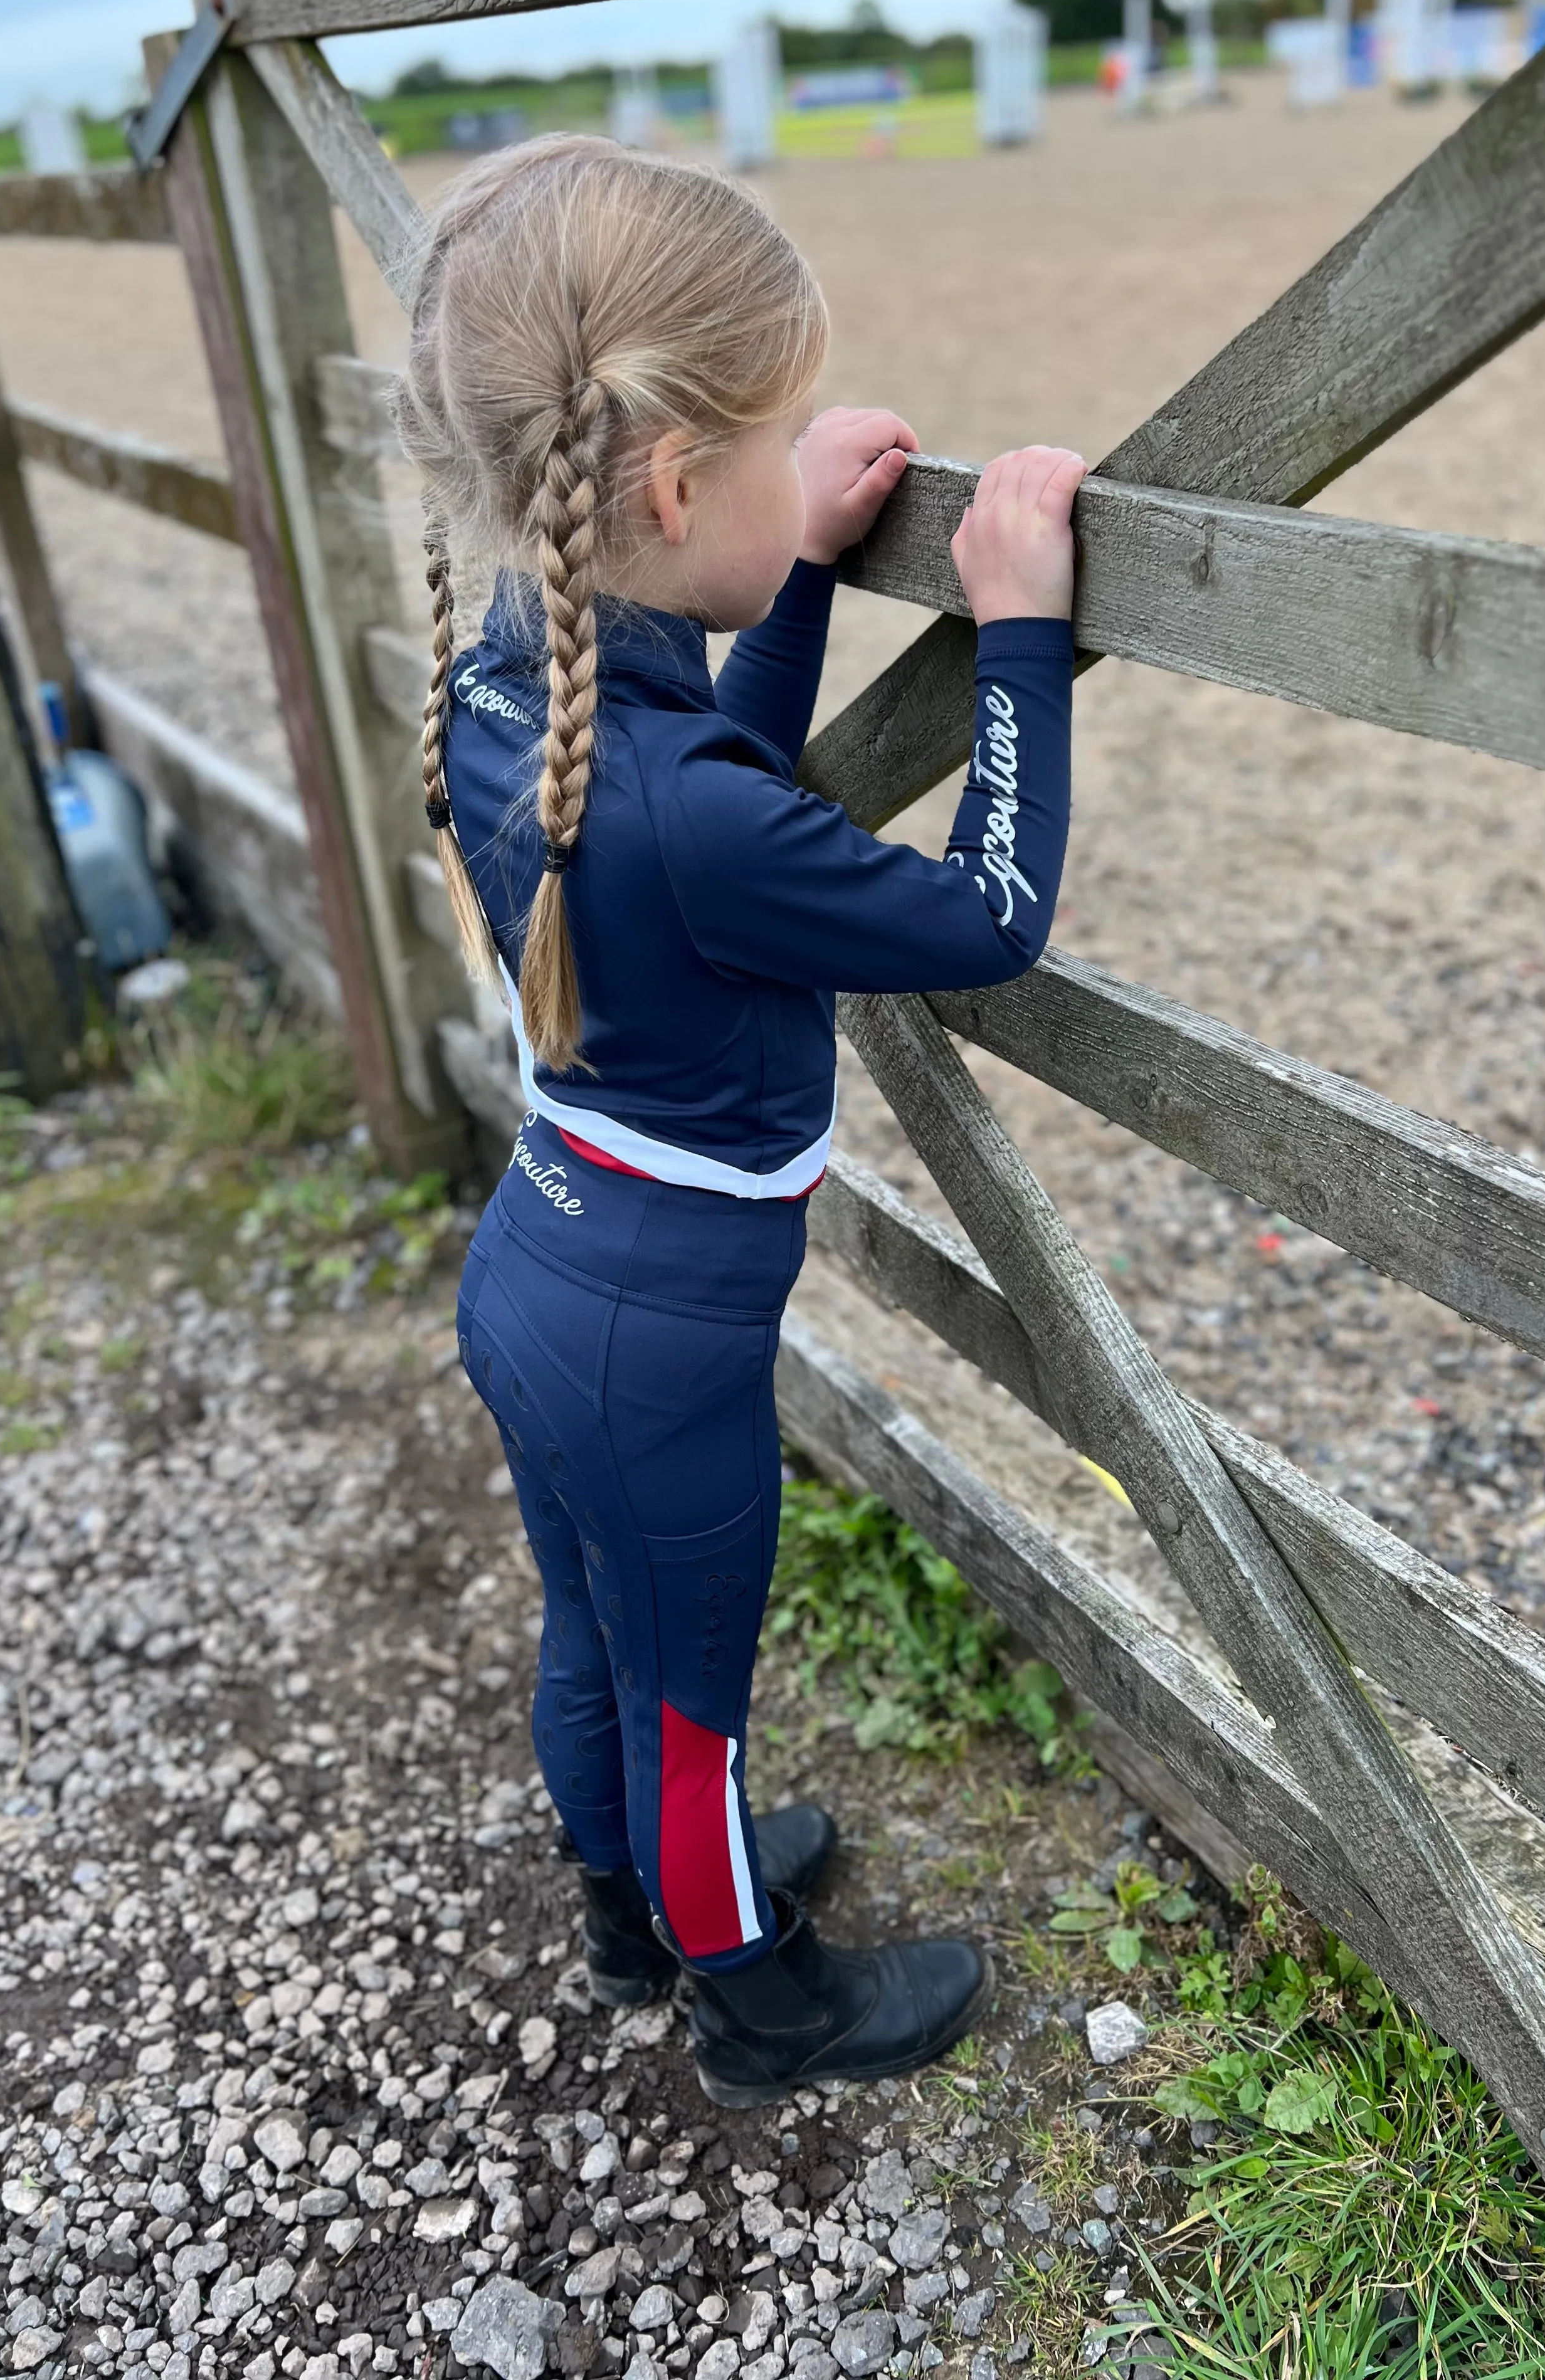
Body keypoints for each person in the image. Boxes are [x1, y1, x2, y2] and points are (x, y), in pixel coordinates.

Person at [399, 134, 1084, 2107]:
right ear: (679, 484)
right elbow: (986, 918)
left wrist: (792, 566)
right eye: (776, 449)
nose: (801, 476)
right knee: (691, 1705)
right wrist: (1019, 630)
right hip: (654, 1341)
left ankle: (628, 1909)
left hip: (536, 1270)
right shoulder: (686, 811)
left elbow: (709, 775)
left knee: (586, 1628)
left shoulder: (511, 678)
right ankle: (754, 2003)